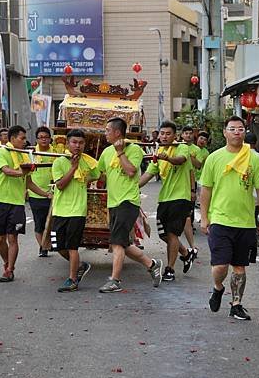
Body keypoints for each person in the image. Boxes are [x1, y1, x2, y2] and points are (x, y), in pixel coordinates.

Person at [200, 116, 259, 320]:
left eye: (240, 129)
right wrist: (204, 218)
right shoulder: (214, 158)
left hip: (246, 221)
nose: (237, 132)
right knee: (220, 266)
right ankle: (218, 287)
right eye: (232, 129)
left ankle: (236, 304)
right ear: (225, 133)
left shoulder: (254, 159)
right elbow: (206, 190)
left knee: (239, 267)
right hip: (220, 220)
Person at [96, 117, 163, 293]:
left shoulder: (133, 149)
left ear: (117, 132)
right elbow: (99, 173)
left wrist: (120, 152)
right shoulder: (106, 152)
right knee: (122, 242)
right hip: (113, 202)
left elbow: (131, 171)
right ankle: (152, 264)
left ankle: (115, 280)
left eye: (107, 130)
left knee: (117, 243)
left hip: (128, 201)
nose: (105, 133)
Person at [0, 125, 52, 282]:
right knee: (0, 238)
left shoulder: (24, 156)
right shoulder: (0, 152)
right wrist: (22, 172)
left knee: (13, 238)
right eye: (22, 138)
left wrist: (46, 194)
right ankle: (6, 262)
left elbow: (28, 182)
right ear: (12, 139)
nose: (25, 142)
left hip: (17, 203)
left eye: (25, 138)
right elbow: (7, 171)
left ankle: (10, 269)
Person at [139, 121, 195, 281]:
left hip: (180, 198)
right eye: (162, 133)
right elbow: (148, 175)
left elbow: (180, 160)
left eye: (168, 134)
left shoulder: (182, 147)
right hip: (164, 199)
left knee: (171, 234)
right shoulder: (158, 152)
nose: (164, 136)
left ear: (174, 135)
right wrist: (132, 188)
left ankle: (170, 269)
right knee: (164, 235)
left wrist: (168, 158)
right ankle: (185, 253)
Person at [52, 130, 100, 292]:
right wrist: (73, 168)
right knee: (58, 246)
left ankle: (72, 279)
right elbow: (60, 185)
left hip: (78, 210)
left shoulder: (87, 161)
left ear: (84, 145)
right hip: (60, 210)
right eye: (74, 142)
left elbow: (96, 174)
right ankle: (80, 266)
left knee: (72, 246)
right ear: (67, 143)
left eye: (80, 143)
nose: (77, 146)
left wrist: (86, 180)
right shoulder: (59, 161)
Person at [29, 127, 56, 258]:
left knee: (52, 222)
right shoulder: (31, 153)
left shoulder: (56, 151)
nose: (44, 139)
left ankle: (51, 243)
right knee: (39, 223)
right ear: (37, 139)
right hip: (36, 194)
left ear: (50, 138)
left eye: (46, 137)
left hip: (55, 193)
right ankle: (43, 247)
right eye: (41, 137)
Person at [180, 126, 199, 261]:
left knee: (187, 217)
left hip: (189, 185)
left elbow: (196, 167)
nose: (187, 135)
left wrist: (192, 190)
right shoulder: (177, 147)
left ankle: (192, 247)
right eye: (185, 133)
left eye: (189, 133)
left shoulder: (196, 150)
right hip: (174, 189)